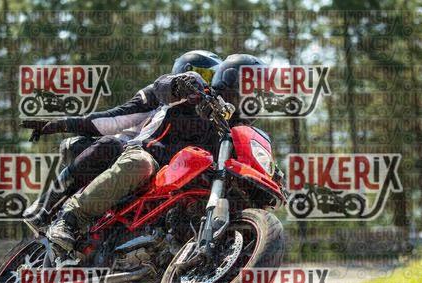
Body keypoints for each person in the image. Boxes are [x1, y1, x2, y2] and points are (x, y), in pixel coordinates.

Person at [46, 54, 266, 252]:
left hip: (185, 183)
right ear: (231, 77)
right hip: (152, 156)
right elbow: (162, 86)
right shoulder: (196, 93)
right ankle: (70, 218)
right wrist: (181, 85)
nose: (258, 95)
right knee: (140, 164)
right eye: (253, 86)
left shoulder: (232, 130)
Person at [22, 50, 223, 233]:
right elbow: (112, 120)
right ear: (182, 72)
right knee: (112, 145)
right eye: (200, 74)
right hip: (125, 152)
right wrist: (59, 124)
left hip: (166, 173)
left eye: (210, 77)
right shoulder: (161, 96)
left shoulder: (211, 118)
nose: (204, 83)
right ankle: (50, 206)